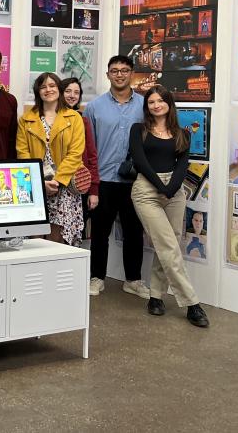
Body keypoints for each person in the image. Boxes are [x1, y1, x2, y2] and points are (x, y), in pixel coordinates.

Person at [129, 86, 209, 328]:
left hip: (175, 191)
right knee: (167, 245)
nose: (156, 105)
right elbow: (139, 160)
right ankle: (192, 303)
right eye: (151, 102)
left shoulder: (182, 132)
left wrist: (171, 188)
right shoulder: (139, 129)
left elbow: (183, 164)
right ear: (147, 107)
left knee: (171, 245)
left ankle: (155, 297)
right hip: (146, 190)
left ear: (169, 104)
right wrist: (159, 186)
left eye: (160, 101)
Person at [83, 56, 148, 298]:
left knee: (134, 232)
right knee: (100, 232)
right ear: (107, 74)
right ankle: (97, 277)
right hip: (104, 180)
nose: (119, 75)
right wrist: (92, 183)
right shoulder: (94, 107)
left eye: (124, 70)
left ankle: (133, 279)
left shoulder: (144, 105)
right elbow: (88, 148)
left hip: (135, 181)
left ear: (132, 73)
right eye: (114, 71)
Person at [16, 73, 86, 246]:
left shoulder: (74, 117)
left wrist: (57, 181)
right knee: (35, 240)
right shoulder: (26, 119)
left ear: (59, 89)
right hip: (36, 186)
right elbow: (22, 153)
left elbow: (75, 153)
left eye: (52, 86)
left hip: (63, 186)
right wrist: (40, 182)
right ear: (37, 91)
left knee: (57, 241)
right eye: (43, 87)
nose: (48, 90)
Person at [59, 77, 101, 228]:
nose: (72, 95)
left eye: (76, 92)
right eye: (68, 91)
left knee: (74, 234)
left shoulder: (83, 121)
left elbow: (91, 156)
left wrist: (93, 190)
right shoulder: (49, 119)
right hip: (54, 184)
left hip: (78, 185)